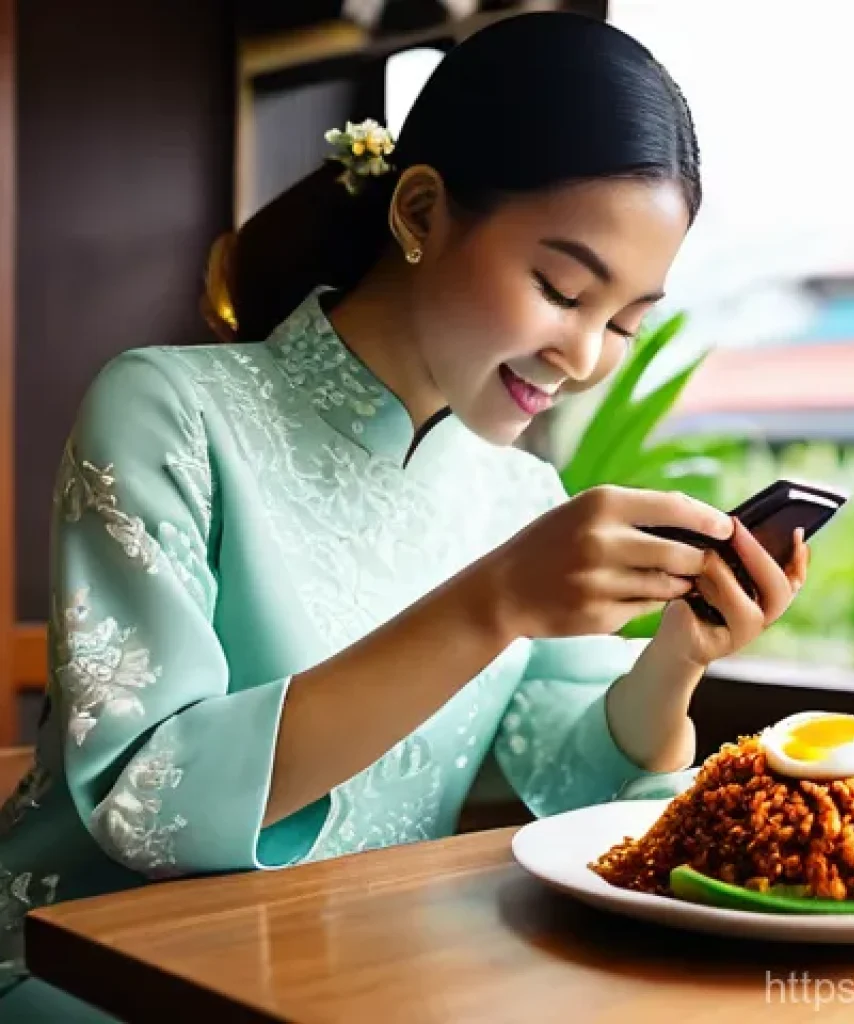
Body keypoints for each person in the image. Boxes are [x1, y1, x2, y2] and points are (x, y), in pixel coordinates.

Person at [0, 11, 808, 1017]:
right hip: (97, 971)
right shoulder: (168, 407)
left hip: (358, 979)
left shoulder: (518, 495)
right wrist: (494, 601)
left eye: (624, 324)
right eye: (562, 288)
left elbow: (583, 783)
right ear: (420, 212)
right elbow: (146, 798)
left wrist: (679, 652)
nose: (586, 355)